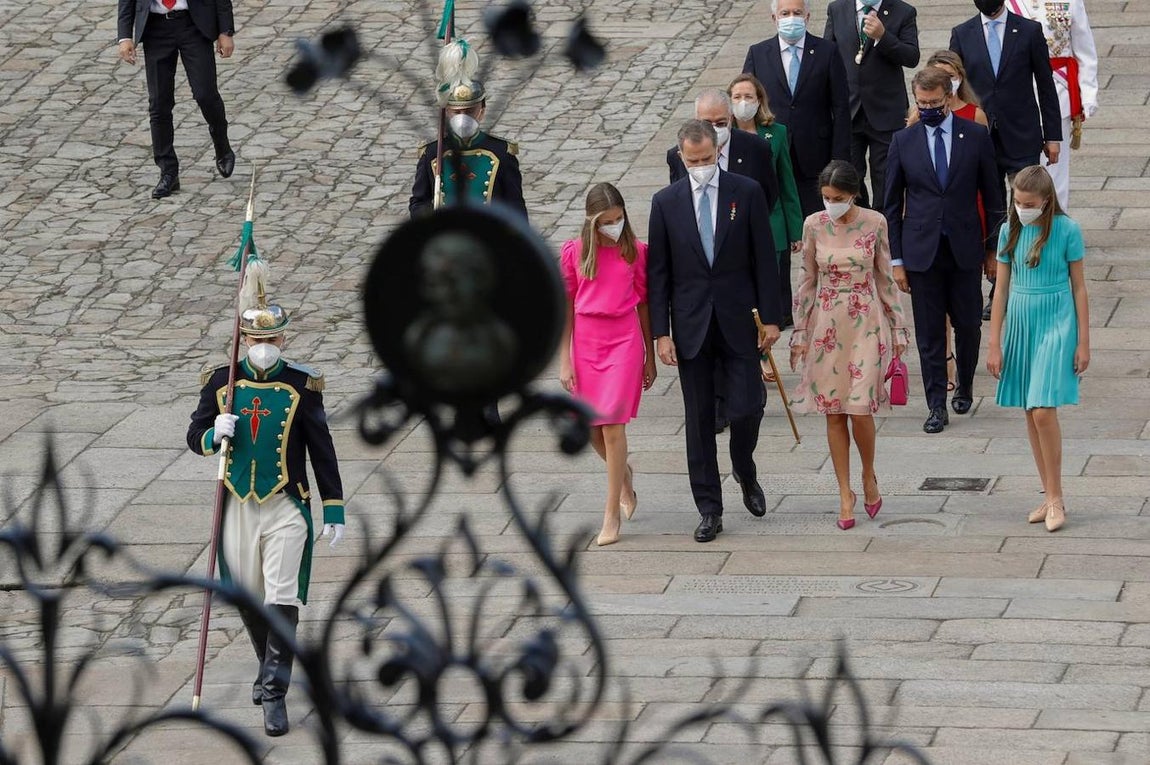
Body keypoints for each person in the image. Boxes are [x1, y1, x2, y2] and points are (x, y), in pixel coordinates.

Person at [186, 274, 345, 737]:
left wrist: (333, 505)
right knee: (248, 594)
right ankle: (266, 666)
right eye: (254, 338)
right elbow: (194, 436)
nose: (262, 345)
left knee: (282, 594)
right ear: (243, 339)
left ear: (282, 338)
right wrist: (215, 434)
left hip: (285, 503)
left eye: (270, 338)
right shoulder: (221, 383)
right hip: (236, 502)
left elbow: (322, 448)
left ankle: (274, 692)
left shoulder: (301, 385)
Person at [647, 120, 782, 543]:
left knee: (746, 407)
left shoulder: (746, 192)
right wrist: (661, 332)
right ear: (681, 158)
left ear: (716, 153)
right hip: (691, 324)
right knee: (700, 419)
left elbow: (765, 257)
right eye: (693, 161)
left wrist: (774, 317)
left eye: (707, 159)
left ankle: (744, 465)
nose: (701, 166)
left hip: (740, 318)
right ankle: (709, 506)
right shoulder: (665, 202)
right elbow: (659, 274)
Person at [884, 66, 1005, 434]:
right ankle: (936, 403)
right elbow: (892, 204)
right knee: (930, 333)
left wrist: (992, 252)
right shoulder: (904, 141)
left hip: (965, 247)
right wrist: (898, 260)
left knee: (968, 325)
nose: (928, 109)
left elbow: (995, 197)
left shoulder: (976, 135)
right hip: (922, 251)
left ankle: (965, 383)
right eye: (922, 104)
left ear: (949, 97)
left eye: (934, 103)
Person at [790, 161, 909, 529]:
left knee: (860, 408)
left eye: (838, 198)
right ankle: (844, 491)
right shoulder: (813, 224)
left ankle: (868, 474)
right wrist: (800, 333)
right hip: (826, 322)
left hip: (865, 323)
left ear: (853, 194)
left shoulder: (875, 222)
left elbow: (885, 278)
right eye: (826, 198)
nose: (831, 204)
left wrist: (898, 328)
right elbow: (807, 279)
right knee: (834, 410)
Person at [667, 88, 781, 431]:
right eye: (706, 122)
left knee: (738, 341)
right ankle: (717, 403)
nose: (713, 129)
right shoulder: (677, 156)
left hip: (738, 256)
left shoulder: (755, 149)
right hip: (700, 266)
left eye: (720, 122)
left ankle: (747, 394)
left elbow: (769, 194)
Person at [986, 165, 1089, 532]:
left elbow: (1079, 287)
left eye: (1029, 203)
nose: (1022, 208)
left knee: (1044, 410)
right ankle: (1048, 495)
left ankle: (1057, 497)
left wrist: (1083, 341)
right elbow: (1000, 290)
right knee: (1030, 411)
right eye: (1017, 201)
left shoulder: (1067, 231)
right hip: (1021, 322)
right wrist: (995, 342)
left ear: (1046, 201)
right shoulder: (1008, 231)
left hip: (1056, 321)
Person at [559, 183, 655, 547]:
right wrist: (564, 359)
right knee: (591, 430)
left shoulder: (637, 252)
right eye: (606, 222)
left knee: (613, 427)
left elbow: (644, 303)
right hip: (586, 341)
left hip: (623, 341)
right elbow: (565, 305)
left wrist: (648, 353)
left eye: (618, 219)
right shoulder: (574, 252)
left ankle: (611, 510)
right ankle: (624, 474)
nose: (614, 226)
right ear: (593, 222)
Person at [907, 50, 990, 385]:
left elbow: (988, 180)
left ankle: (963, 373)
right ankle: (944, 366)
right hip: (927, 230)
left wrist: (990, 244)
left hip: (967, 214)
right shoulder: (916, 118)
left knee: (966, 317)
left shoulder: (975, 118)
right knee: (932, 314)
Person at [117, 0, 237, 199]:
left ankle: (221, 144)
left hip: (193, 24)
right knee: (159, 103)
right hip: (155, 28)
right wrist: (124, 36)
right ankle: (168, 171)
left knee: (205, 94)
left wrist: (225, 31)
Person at [743, 0, 851, 218]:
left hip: (815, 156)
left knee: (817, 222)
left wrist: (839, 158)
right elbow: (746, 101)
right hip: (772, 152)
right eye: (785, 13)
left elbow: (841, 108)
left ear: (807, 17)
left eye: (797, 12)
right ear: (775, 18)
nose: (791, 18)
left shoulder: (827, 51)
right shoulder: (758, 53)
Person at [409, 39, 527, 220]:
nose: (463, 117)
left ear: (481, 110)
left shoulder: (501, 153)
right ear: (447, 112)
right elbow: (417, 203)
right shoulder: (433, 153)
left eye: (470, 111)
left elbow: (516, 210)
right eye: (457, 112)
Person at [823, 0, 921, 211]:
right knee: (849, 176)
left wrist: (883, 37)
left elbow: (912, 56)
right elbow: (827, 54)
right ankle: (858, 224)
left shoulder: (903, 11)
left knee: (886, 178)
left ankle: (882, 227)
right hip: (848, 110)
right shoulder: (837, 9)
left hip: (886, 112)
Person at [1003, 0, 1100, 210]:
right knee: (1022, 173)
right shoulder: (1007, 4)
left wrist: (1088, 92)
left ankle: (1056, 228)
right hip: (1018, 93)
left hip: (1058, 91)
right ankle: (1023, 230)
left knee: (1055, 171)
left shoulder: (1070, 2)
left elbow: (1085, 50)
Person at [729, 73, 804, 334]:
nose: (742, 102)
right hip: (734, 223)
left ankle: (763, 349)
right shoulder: (723, 135)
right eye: (737, 97)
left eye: (748, 96)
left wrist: (795, 229)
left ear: (759, 100)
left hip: (772, 222)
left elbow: (787, 183)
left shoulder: (777, 133)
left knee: (767, 287)